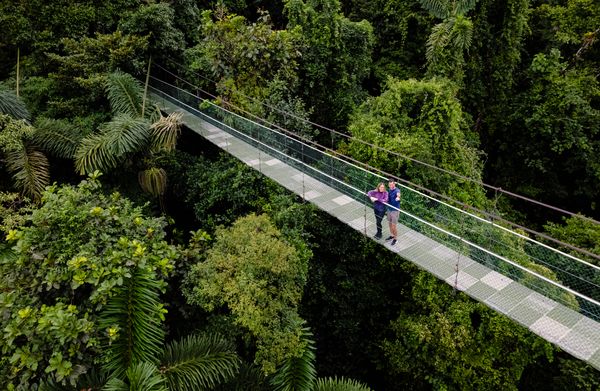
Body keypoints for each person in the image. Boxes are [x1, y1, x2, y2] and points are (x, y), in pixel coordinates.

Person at [386, 179, 401, 245]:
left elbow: (398, 195)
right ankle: (392, 235)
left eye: (392, 185)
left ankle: (395, 239)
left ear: (394, 184)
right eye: (389, 185)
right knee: (389, 224)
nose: (391, 186)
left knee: (393, 226)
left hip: (395, 210)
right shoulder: (389, 190)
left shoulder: (397, 190)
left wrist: (398, 198)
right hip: (389, 209)